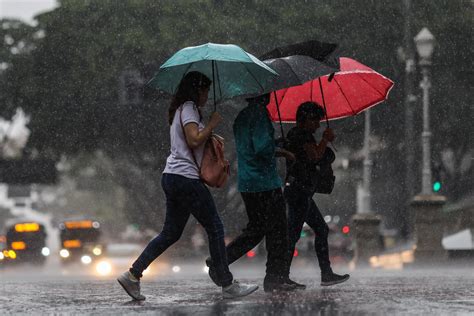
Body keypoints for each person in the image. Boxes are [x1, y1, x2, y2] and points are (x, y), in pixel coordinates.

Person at [117, 71, 258, 300]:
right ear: (197, 90)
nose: (207, 96)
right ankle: (227, 284)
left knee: (171, 233)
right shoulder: (190, 108)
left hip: (172, 177)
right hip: (185, 178)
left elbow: (191, 142)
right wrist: (211, 124)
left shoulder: (181, 110)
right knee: (215, 227)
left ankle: (133, 275)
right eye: (206, 91)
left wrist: (209, 132)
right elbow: (193, 139)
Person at [206, 93, 299, 292]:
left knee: (256, 229)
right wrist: (283, 152)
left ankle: (220, 260)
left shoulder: (242, 116)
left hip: (248, 183)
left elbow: (250, 145)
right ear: (263, 95)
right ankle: (275, 278)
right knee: (278, 231)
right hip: (264, 183)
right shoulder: (259, 114)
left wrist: (276, 142)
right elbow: (261, 148)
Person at [283, 101, 350, 287]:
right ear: (306, 119)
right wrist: (325, 140)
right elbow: (314, 156)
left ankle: (326, 274)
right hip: (299, 191)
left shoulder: (302, 134)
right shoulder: (300, 135)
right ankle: (282, 275)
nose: (318, 125)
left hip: (302, 191)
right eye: (315, 120)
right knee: (293, 233)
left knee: (320, 229)